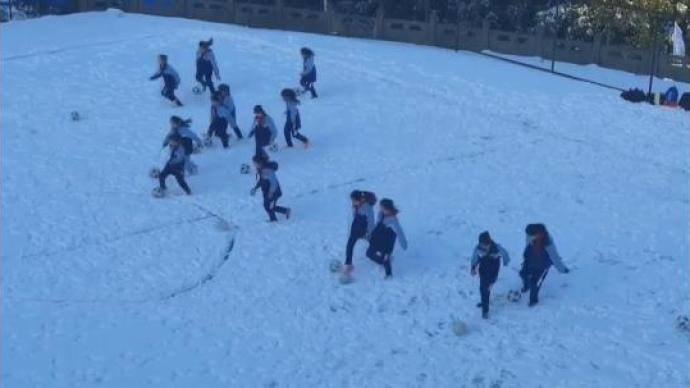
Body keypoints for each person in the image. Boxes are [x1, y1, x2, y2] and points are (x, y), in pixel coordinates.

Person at [520, 223, 570, 307]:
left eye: (531, 236)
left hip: (542, 265)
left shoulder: (548, 242)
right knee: (523, 274)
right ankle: (526, 286)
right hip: (530, 260)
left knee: (534, 283)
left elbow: (555, 257)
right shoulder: (530, 234)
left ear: (537, 234)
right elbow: (527, 247)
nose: (528, 237)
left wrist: (562, 269)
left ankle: (533, 301)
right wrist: (526, 258)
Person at [470, 231, 510, 319]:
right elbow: (475, 257)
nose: (483, 247)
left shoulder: (497, 248)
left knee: (486, 289)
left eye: (485, 245)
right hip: (483, 269)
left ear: (489, 243)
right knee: (483, 289)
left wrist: (506, 262)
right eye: (482, 245)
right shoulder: (478, 248)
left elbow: (505, 254)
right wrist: (473, 267)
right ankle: (485, 306)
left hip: (493, 270)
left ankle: (485, 306)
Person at [366, 198, 407, 279]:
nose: (380, 208)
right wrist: (371, 234)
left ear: (387, 209)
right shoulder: (380, 214)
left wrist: (404, 244)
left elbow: (400, 232)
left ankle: (389, 274)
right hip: (377, 239)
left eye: (381, 207)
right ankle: (382, 261)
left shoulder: (393, 221)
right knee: (369, 254)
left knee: (385, 257)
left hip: (387, 242)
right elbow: (377, 225)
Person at [343, 190, 377, 274]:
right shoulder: (355, 205)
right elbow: (355, 217)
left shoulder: (367, 208)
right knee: (349, 245)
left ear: (360, 199)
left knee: (375, 244)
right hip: (355, 230)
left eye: (354, 200)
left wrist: (368, 233)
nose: (352, 202)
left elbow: (371, 222)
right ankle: (348, 264)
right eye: (352, 200)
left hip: (365, 231)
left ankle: (385, 255)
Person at [250, 155, 290, 222]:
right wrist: (255, 188)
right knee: (270, 206)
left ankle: (274, 219)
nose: (254, 165)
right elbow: (261, 180)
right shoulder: (261, 170)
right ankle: (286, 211)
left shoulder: (267, 170)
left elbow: (274, 182)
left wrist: (271, 192)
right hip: (268, 192)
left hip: (273, 192)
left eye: (255, 163)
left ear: (260, 163)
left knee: (268, 206)